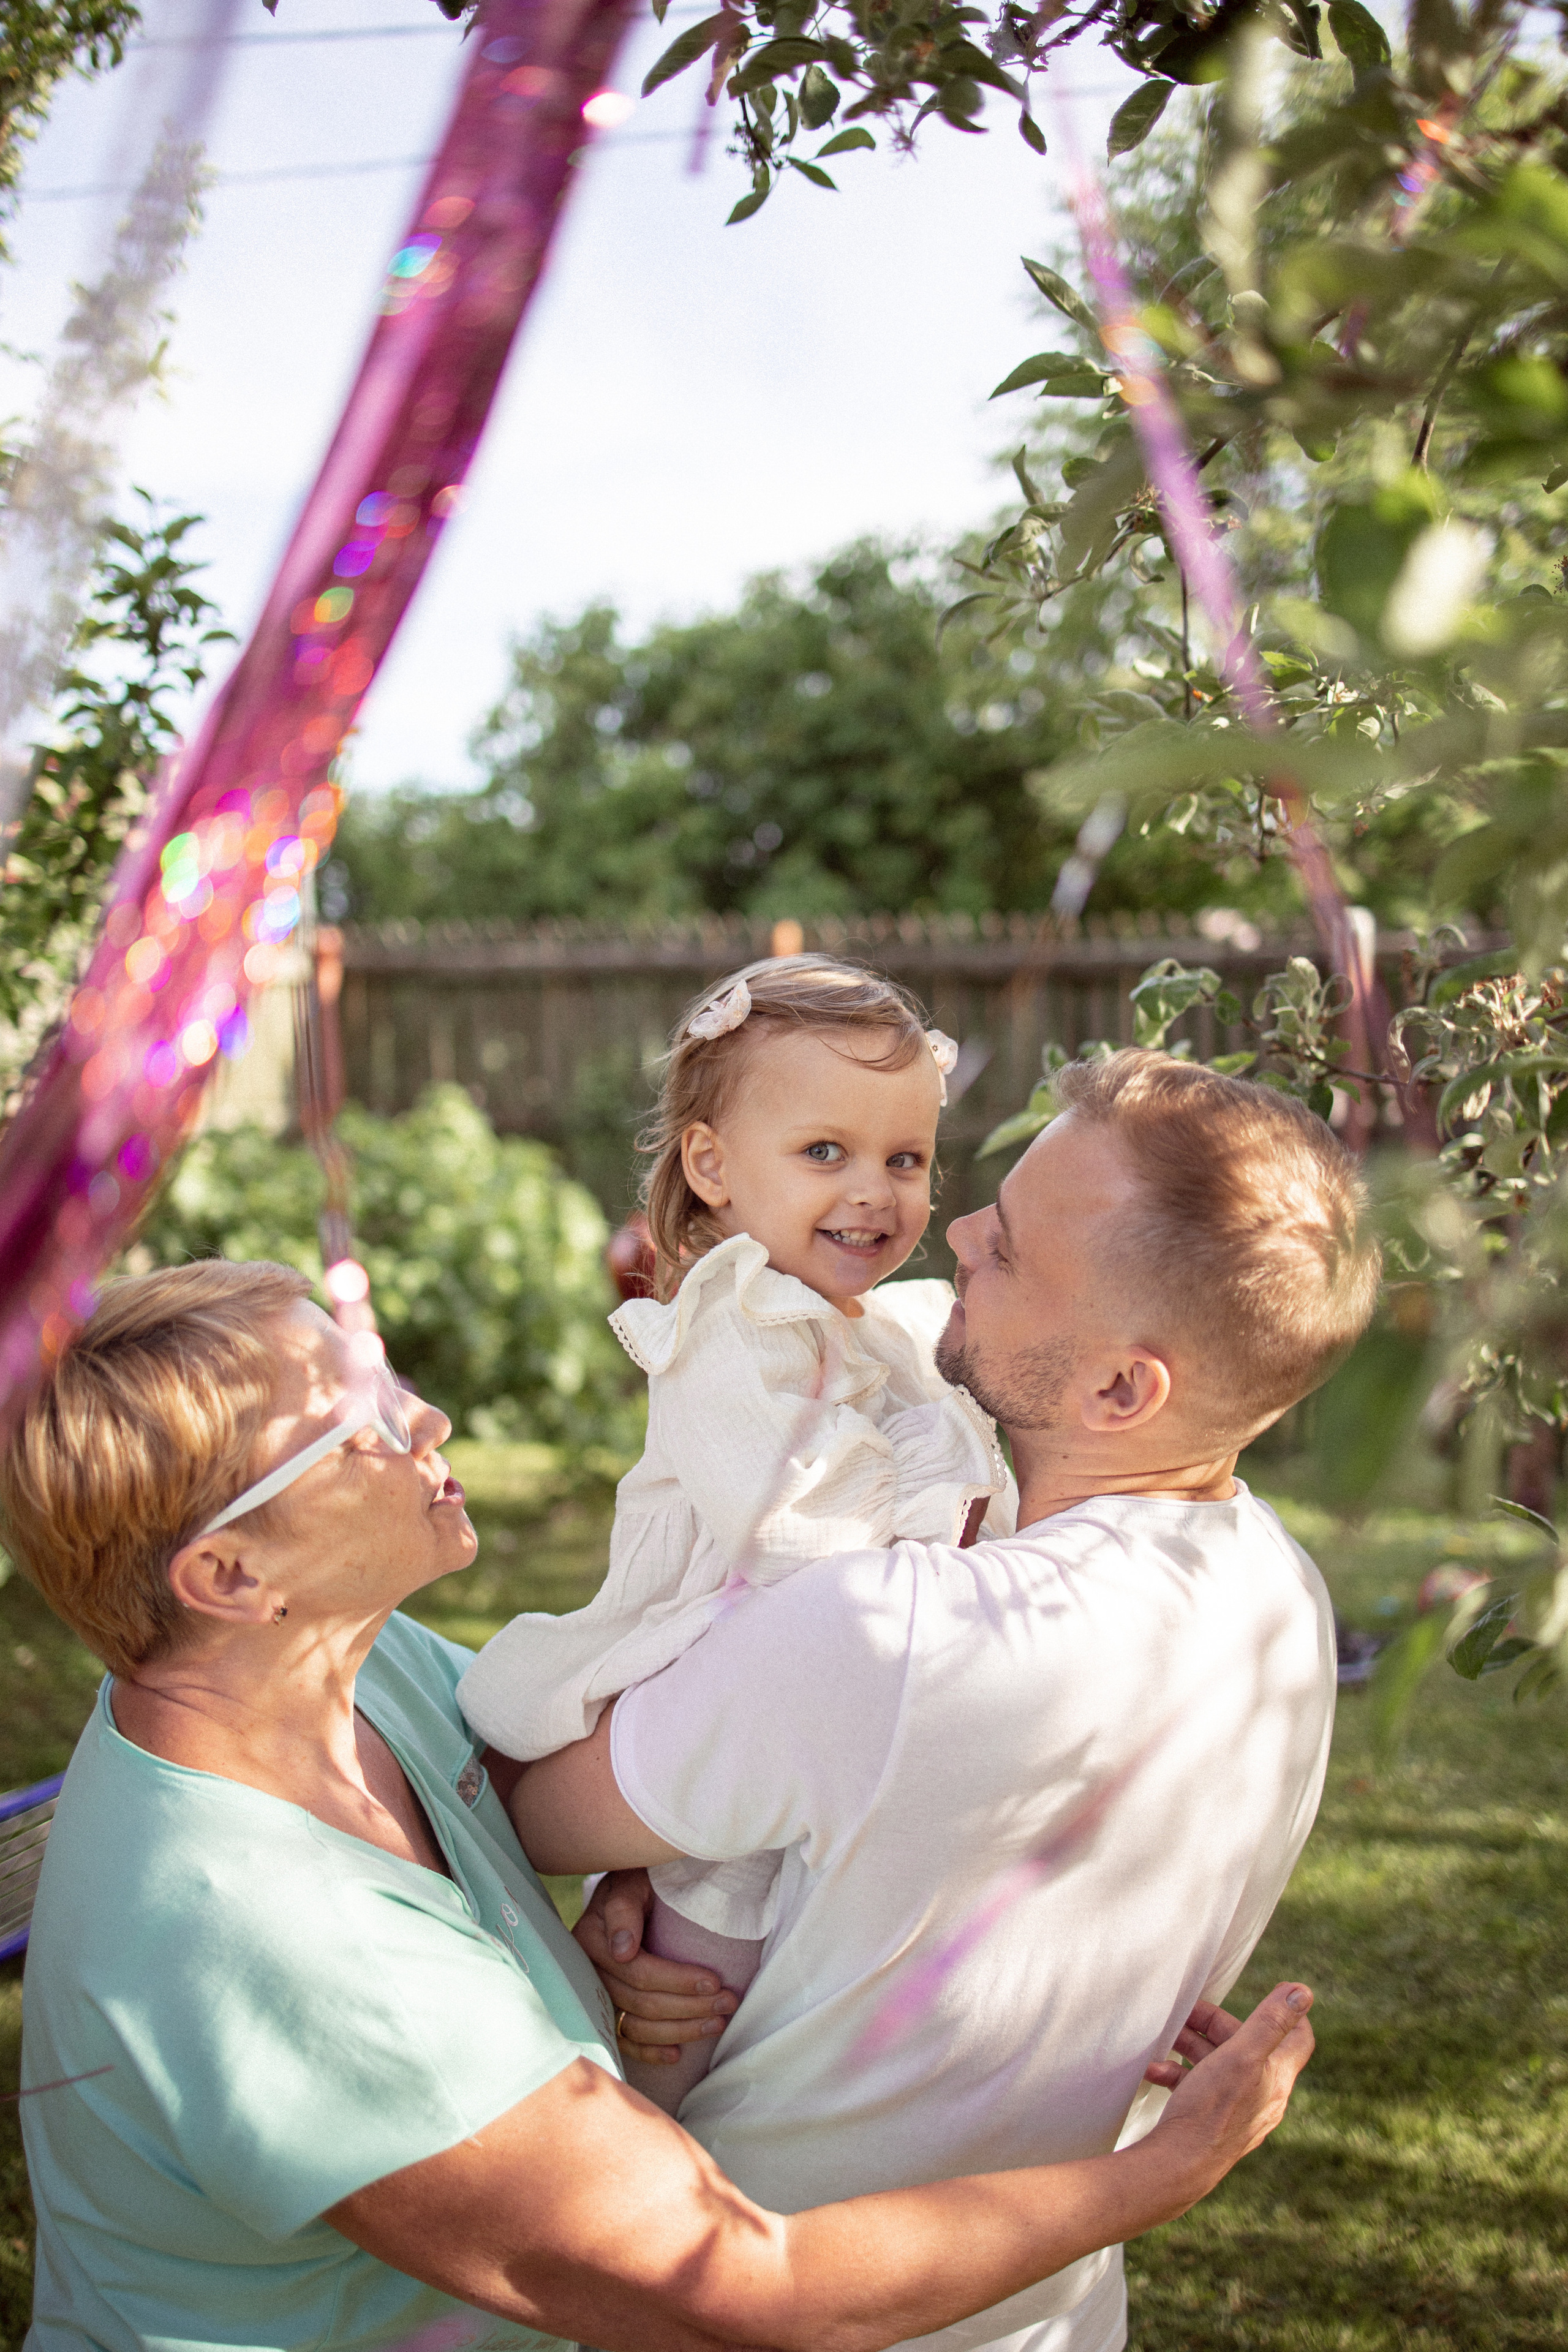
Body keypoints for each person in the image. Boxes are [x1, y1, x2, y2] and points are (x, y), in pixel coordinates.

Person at [2, 1257, 1316, 2352]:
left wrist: (587, 1935)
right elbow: (749, 2290)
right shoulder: (284, 1950)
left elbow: (595, 1790)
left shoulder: (331, 1673)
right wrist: (1159, 2172)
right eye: (353, 1430)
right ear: (229, 1573)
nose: (429, 1422)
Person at [511, 1047, 1384, 2352]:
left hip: (751, 2299)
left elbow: (531, 1813)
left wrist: (632, 1885)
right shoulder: (1277, 1596)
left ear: (1116, 1389)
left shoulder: (887, 1634)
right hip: (1042, 2316)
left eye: (1013, 1250)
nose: (958, 1230)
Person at [458, 955, 1017, 2111]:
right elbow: (803, 1539)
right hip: (720, 1691)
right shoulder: (731, 1328)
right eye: (827, 1152)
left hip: (797, 1703)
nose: (877, 1191)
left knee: (816, 1981)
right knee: (692, 1990)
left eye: (904, 1159)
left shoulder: (870, 1328)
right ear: (711, 1166)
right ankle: (649, 2166)